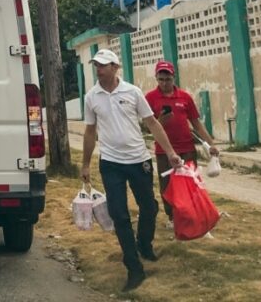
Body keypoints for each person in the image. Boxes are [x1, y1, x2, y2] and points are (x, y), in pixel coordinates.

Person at [81, 49, 182, 292]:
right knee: (120, 214)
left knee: (149, 206)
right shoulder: (91, 97)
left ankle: (144, 244)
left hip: (139, 160)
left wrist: (170, 152)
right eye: (96, 64)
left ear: (116, 67)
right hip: (111, 163)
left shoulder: (133, 92)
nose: (99, 69)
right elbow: (90, 132)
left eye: (104, 65)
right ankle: (134, 266)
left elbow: (152, 123)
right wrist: (85, 164)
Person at [145, 60, 219, 228]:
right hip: (164, 151)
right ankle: (173, 217)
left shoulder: (185, 97)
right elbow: (148, 127)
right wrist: (160, 122)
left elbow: (196, 123)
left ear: (173, 77)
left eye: (168, 79)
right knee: (168, 186)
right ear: (156, 78)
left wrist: (211, 143)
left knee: (191, 183)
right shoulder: (150, 98)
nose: (164, 83)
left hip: (186, 148)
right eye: (161, 79)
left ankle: (193, 214)